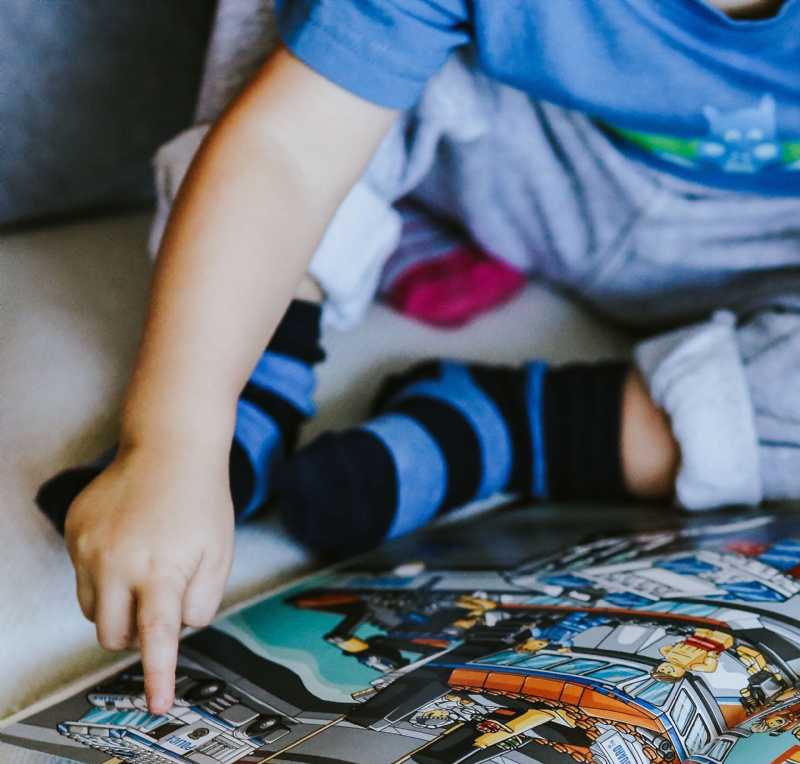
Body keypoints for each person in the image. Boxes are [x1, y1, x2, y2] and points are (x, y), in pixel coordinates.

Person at [37, 0, 800, 715]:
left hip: (761, 243)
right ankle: (256, 365)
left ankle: (526, 429)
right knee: (300, 66)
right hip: (513, 154)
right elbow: (286, 153)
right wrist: (174, 440)